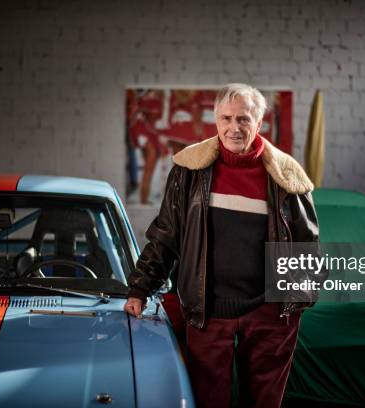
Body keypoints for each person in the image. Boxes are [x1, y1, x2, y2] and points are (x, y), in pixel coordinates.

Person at [124, 83, 324, 408]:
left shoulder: (288, 177)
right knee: (206, 401)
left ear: (259, 123)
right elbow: (166, 235)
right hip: (207, 311)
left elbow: (307, 245)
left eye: (243, 119)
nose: (234, 128)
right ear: (216, 120)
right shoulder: (189, 170)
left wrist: (296, 301)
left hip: (270, 314)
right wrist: (139, 289)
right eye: (226, 118)